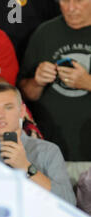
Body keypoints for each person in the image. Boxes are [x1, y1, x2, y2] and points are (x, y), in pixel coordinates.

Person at [18, 0, 91, 185]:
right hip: (51, 154)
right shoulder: (45, 33)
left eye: (79, 1)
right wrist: (37, 81)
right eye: (65, 1)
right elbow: (26, 94)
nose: (71, 8)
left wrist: (88, 82)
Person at [0, 83, 76, 205]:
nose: (0, 115)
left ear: (22, 111)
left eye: (8, 107)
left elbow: (69, 202)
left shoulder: (48, 151)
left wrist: (26, 167)